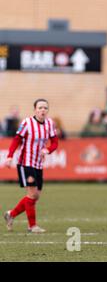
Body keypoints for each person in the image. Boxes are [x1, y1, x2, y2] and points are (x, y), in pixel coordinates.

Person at [3, 99, 59, 233]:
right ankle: (32, 226)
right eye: (40, 108)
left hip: (38, 164)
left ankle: (11, 214)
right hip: (25, 163)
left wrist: (47, 150)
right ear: (35, 109)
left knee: (36, 196)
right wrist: (10, 156)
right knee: (32, 194)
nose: (42, 110)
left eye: (45, 108)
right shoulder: (27, 123)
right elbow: (16, 139)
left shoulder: (50, 124)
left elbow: (55, 142)